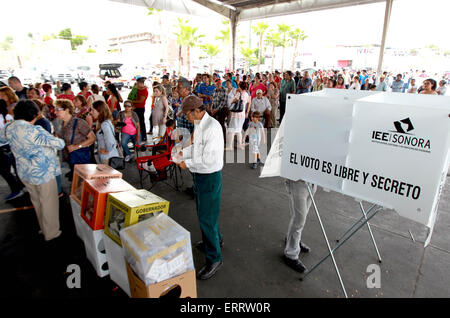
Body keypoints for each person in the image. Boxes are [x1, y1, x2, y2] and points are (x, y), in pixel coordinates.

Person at [0, 100, 65, 241]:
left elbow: (1, 139)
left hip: (24, 172)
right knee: (48, 202)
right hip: (43, 173)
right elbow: (59, 144)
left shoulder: (8, 128)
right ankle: (51, 233)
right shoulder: (35, 130)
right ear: (34, 114)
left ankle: (43, 228)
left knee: (36, 201)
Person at [176, 95, 224, 280]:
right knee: (206, 213)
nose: (185, 117)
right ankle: (215, 239)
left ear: (196, 111)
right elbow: (197, 148)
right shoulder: (201, 124)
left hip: (209, 175)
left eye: (186, 114)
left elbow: (208, 159)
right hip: (202, 175)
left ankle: (215, 258)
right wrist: (184, 152)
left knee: (206, 217)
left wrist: (187, 163)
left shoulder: (211, 127)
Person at [55, 99, 96, 180]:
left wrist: (77, 146)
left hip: (80, 159)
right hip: (70, 158)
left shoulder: (79, 122)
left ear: (66, 110)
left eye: (57, 109)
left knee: (81, 180)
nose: (55, 112)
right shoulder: (61, 123)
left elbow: (92, 138)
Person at [283, 179, 316, 273]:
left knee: (301, 218)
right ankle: (290, 255)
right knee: (299, 219)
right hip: (297, 182)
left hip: (313, 181)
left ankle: (293, 241)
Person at [0, 99, 26, 201]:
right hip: (11, 146)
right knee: (15, 167)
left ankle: (16, 189)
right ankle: (22, 185)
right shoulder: (9, 117)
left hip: (2, 148)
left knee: (4, 171)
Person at [226, 81, 249, 151]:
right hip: (242, 114)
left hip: (236, 114)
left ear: (240, 87)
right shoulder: (246, 94)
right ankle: (239, 145)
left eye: (239, 86)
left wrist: (232, 101)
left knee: (231, 130)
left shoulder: (239, 94)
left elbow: (233, 101)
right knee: (239, 130)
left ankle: (230, 146)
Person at [131, 76, 149, 143]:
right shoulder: (137, 89)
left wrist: (132, 101)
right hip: (135, 108)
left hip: (140, 108)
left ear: (141, 83)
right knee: (135, 122)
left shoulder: (144, 90)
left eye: (138, 83)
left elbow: (141, 101)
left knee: (141, 123)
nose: (137, 84)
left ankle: (143, 136)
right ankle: (137, 136)